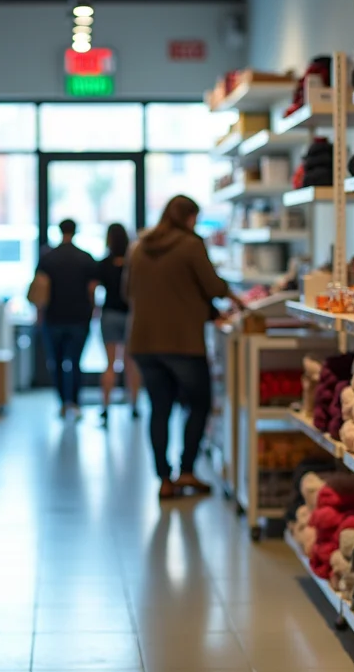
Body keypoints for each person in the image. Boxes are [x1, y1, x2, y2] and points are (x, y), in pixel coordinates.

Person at [125, 195, 244, 499]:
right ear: (188, 217)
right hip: (182, 342)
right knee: (199, 404)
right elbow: (213, 286)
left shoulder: (138, 247)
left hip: (144, 341)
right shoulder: (191, 245)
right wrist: (233, 300)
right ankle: (187, 470)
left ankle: (164, 479)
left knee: (159, 409)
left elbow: (128, 291)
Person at [34, 219, 97, 417]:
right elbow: (92, 289)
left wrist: (39, 314)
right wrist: (93, 311)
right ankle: (75, 403)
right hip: (79, 317)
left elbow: (39, 288)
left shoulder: (48, 258)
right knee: (76, 362)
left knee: (57, 362)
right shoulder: (85, 258)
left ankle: (63, 403)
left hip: (54, 317)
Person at [95, 223, 140, 424]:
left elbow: (92, 289)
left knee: (110, 364)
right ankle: (134, 405)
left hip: (110, 314)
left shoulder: (104, 263)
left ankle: (105, 407)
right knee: (131, 364)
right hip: (130, 315)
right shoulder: (133, 264)